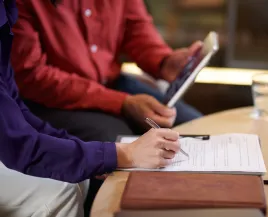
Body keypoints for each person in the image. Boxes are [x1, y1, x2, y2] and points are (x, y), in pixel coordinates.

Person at [0, 1, 181, 216]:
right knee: (64, 187)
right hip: (54, 97)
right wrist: (118, 154)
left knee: (182, 120)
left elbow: (19, 114)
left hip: (107, 81)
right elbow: (19, 144)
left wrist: (99, 155)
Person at [11, 0, 203, 139]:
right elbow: (32, 76)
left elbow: (135, 27)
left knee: (197, 127)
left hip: (113, 84)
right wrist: (121, 103)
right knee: (120, 144)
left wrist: (164, 61)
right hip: (46, 100)